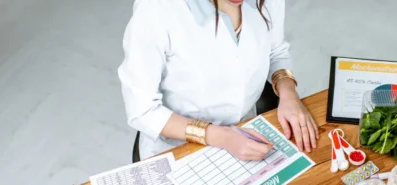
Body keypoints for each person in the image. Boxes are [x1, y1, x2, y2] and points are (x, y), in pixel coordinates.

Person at [118, 0, 319, 161]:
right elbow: (142, 110)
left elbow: (276, 51)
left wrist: (289, 95)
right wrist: (222, 137)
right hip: (178, 147)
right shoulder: (156, 9)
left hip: (245, 132)